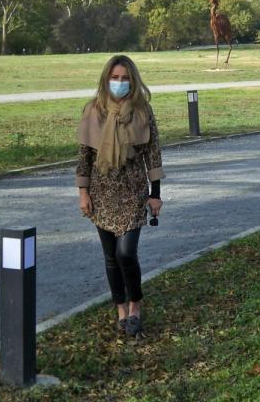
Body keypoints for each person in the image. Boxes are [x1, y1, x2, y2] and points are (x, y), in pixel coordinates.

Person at [76, 54, 164, 337]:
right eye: (114, 78)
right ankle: (121, 309)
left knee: (126, 253)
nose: (119, 83)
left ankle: (135, 304)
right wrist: (83, 192)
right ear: (106, 79)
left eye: (125, 78)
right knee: (110, 256)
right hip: (102, 192)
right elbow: (84, 156)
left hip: (133, 191)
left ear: (133, 80)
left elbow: (153, 153)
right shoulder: (93, 111)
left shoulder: (142, 111)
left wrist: (156, 194)